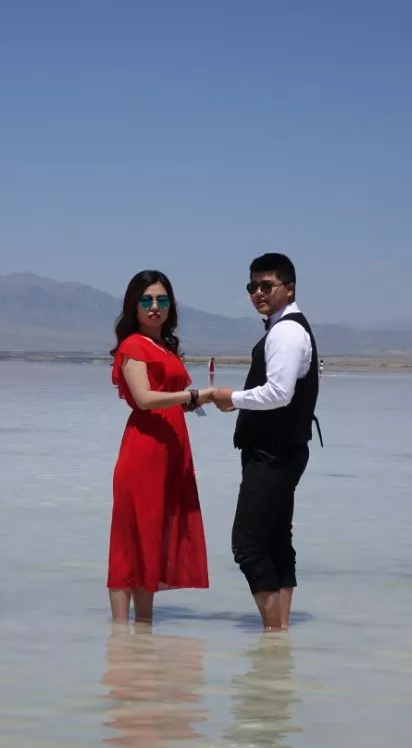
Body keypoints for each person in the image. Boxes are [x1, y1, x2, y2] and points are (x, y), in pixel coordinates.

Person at [212, 253, 319, 631]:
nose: (258, 292)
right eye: (252, 286)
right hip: (283, 448)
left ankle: (273, 633)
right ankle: (279, 638)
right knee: (275, 540)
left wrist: (231, 397)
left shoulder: (286, 332)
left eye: (267, 285)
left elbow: (279, 393)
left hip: (273, 452)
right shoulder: (284, 328)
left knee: (247, 545)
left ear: (289, 289)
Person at [108, 270, 215, 623]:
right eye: (147, 300)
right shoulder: (134, 346)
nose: (155, 306)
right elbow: (144, 398)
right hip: (145, 451)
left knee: (152, 536)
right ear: (134, 305)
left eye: (162, 299)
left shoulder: (164, 347)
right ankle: (121, 636)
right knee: (131, 539)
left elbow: (171, 399)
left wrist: (205, 400)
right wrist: (194, 395)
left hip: (170, 451)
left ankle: (144, 629)